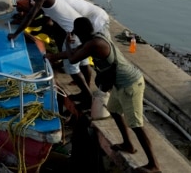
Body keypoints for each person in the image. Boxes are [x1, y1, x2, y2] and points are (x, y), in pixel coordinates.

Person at [46, 18, 161, 173]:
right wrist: (53, 56)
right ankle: (128, 144)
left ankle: (154, 165)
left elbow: (73, 58)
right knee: (113, 110)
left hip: (130, 84)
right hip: (119, 84)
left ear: (80, 32)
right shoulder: (93, 39)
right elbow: (75, 52)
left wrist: (66, 43)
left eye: (75, 31)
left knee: (136, 124)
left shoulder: (95, 44)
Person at [9, 0, 92, 104]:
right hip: (81, 31)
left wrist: (15, 34)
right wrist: (20, 20)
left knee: (72, 68)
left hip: (73, 33)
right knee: (84, 63)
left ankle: (88, 97)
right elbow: (38, 16)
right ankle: (86, 92)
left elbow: (31, 16)